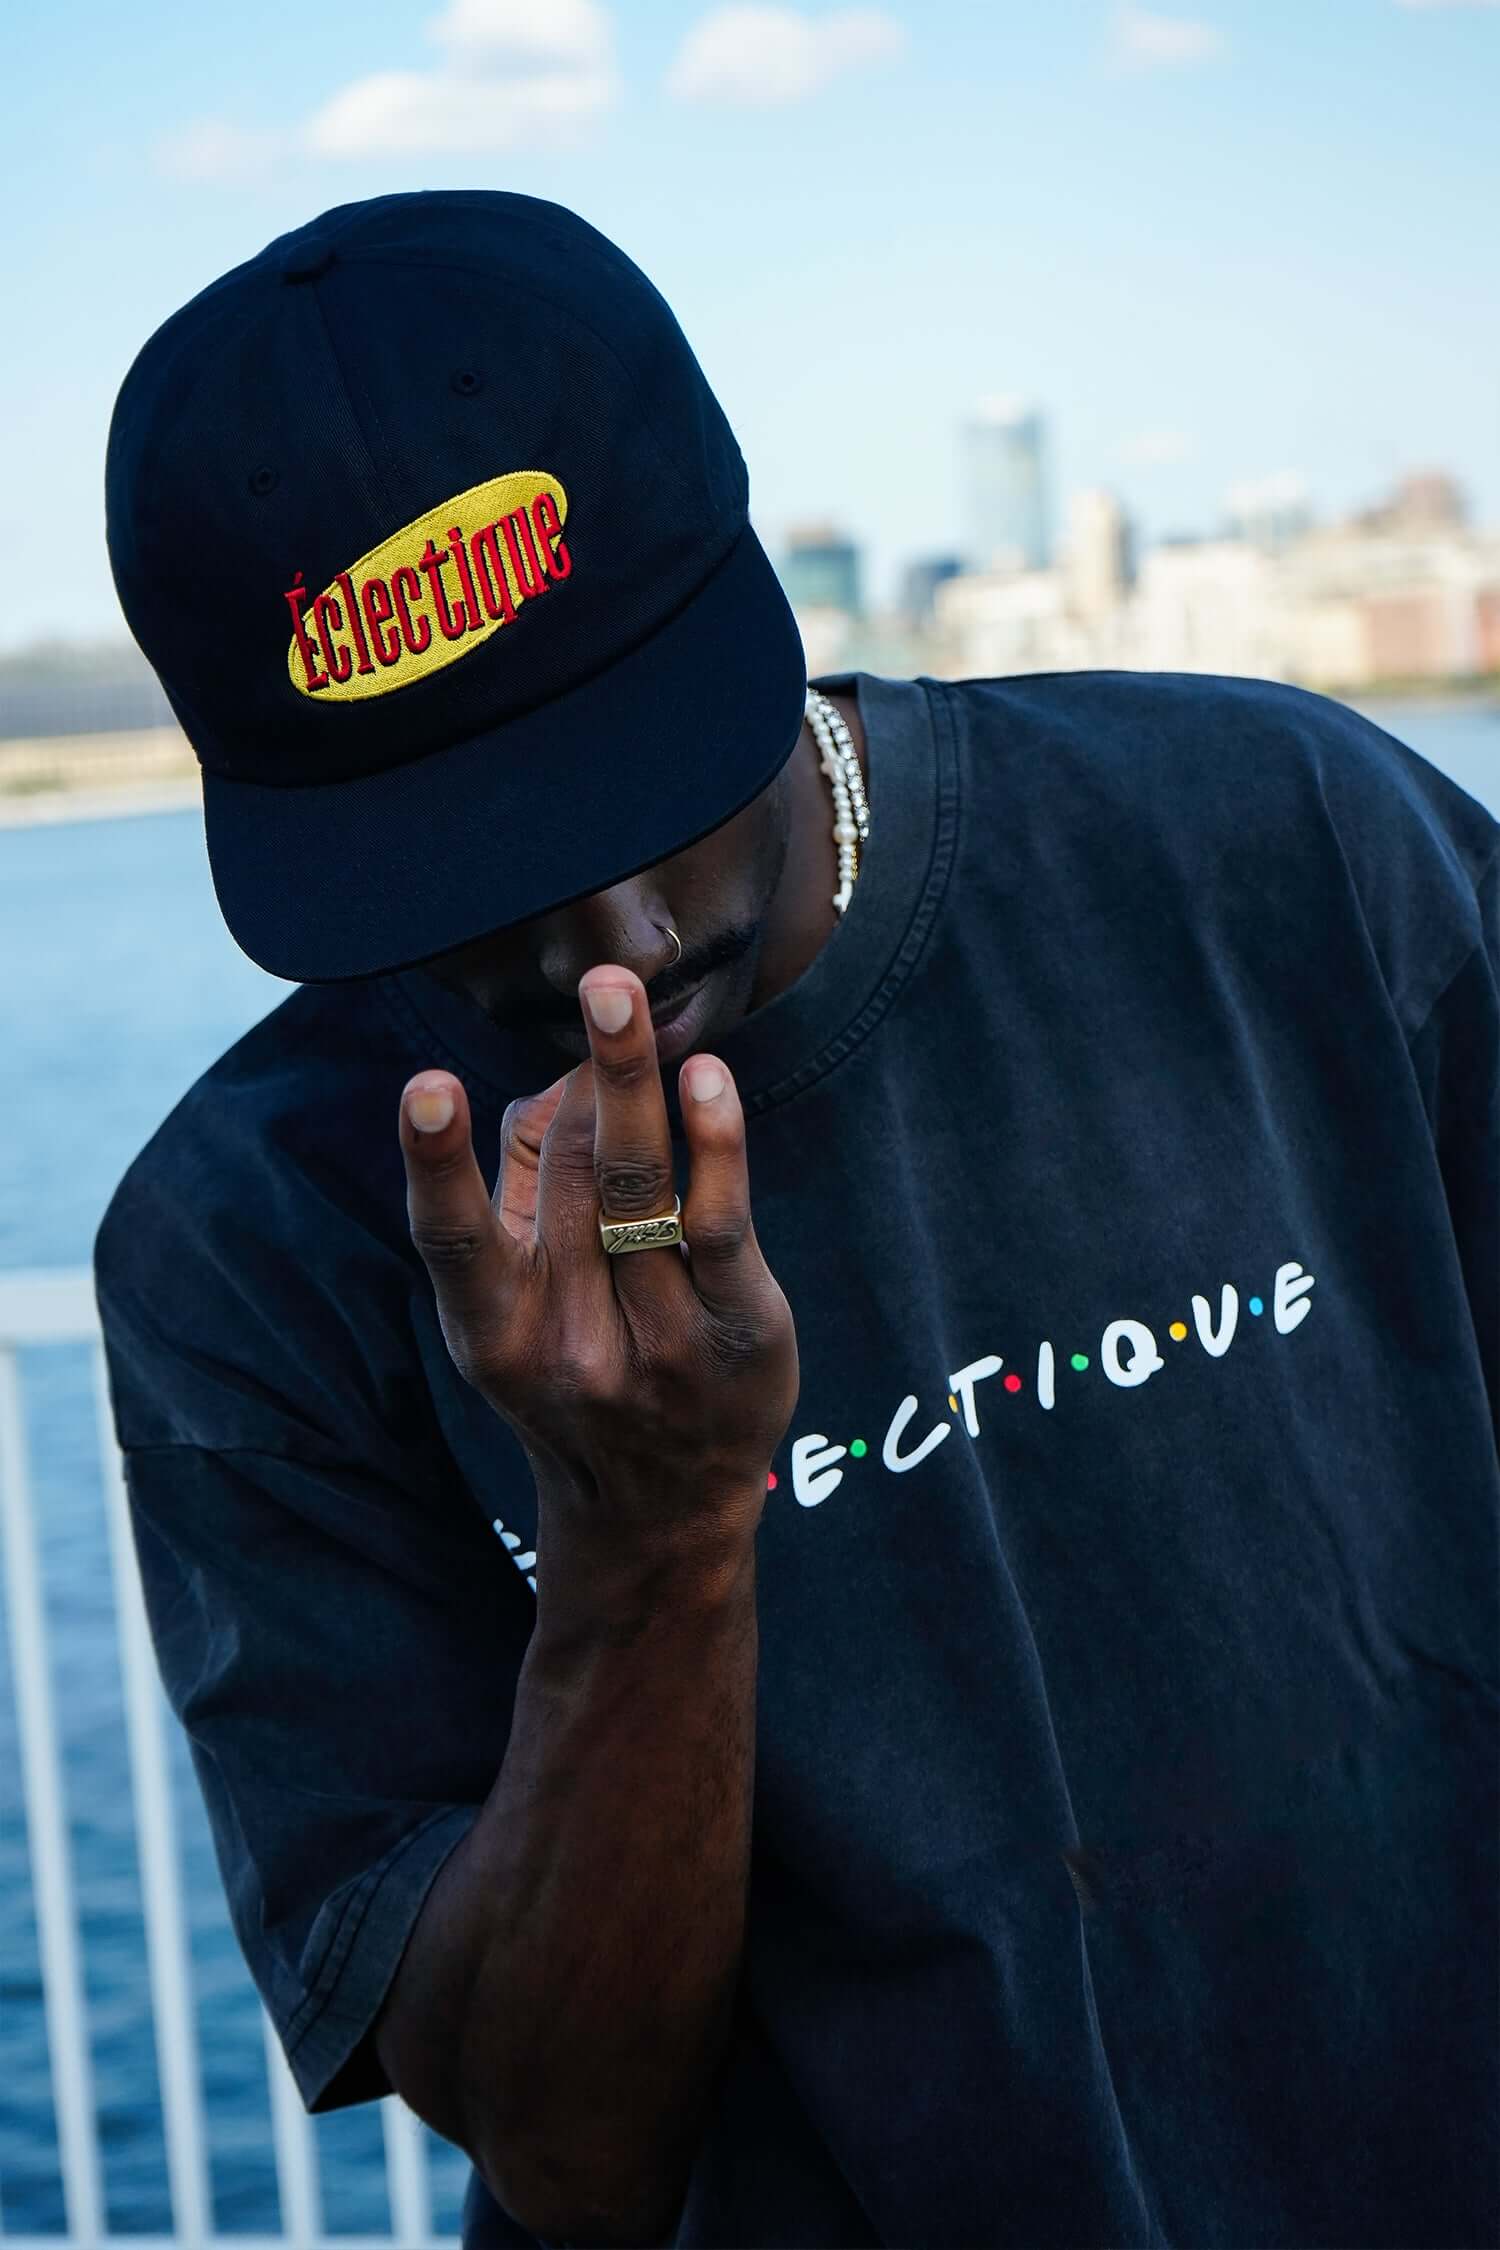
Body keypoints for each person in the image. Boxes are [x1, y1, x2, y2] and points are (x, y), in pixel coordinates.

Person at [97, 189, 1497, 2250]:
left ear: (739, 586)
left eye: (638, 778)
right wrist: (650, 1533)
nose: (615, 946)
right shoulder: (253, 1247)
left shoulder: (1283, 847)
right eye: (470, 860)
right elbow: (570, 2157)